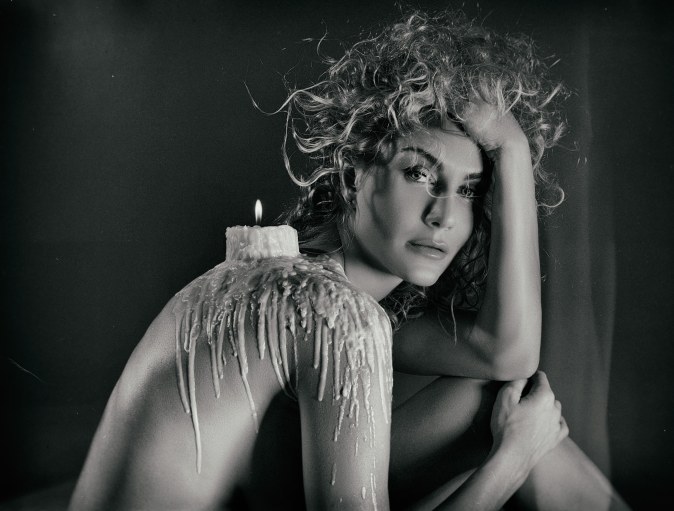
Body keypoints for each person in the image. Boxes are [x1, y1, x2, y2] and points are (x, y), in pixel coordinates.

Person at [69, 10, 628, 510]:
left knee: (484, 402)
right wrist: (512, 460)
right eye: (419, 173)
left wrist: (512, 150)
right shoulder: (333, 311)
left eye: (468, 191)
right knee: (512, 427)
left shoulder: (301, 288)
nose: (443, 216)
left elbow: (505, 354)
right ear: (353, 172)